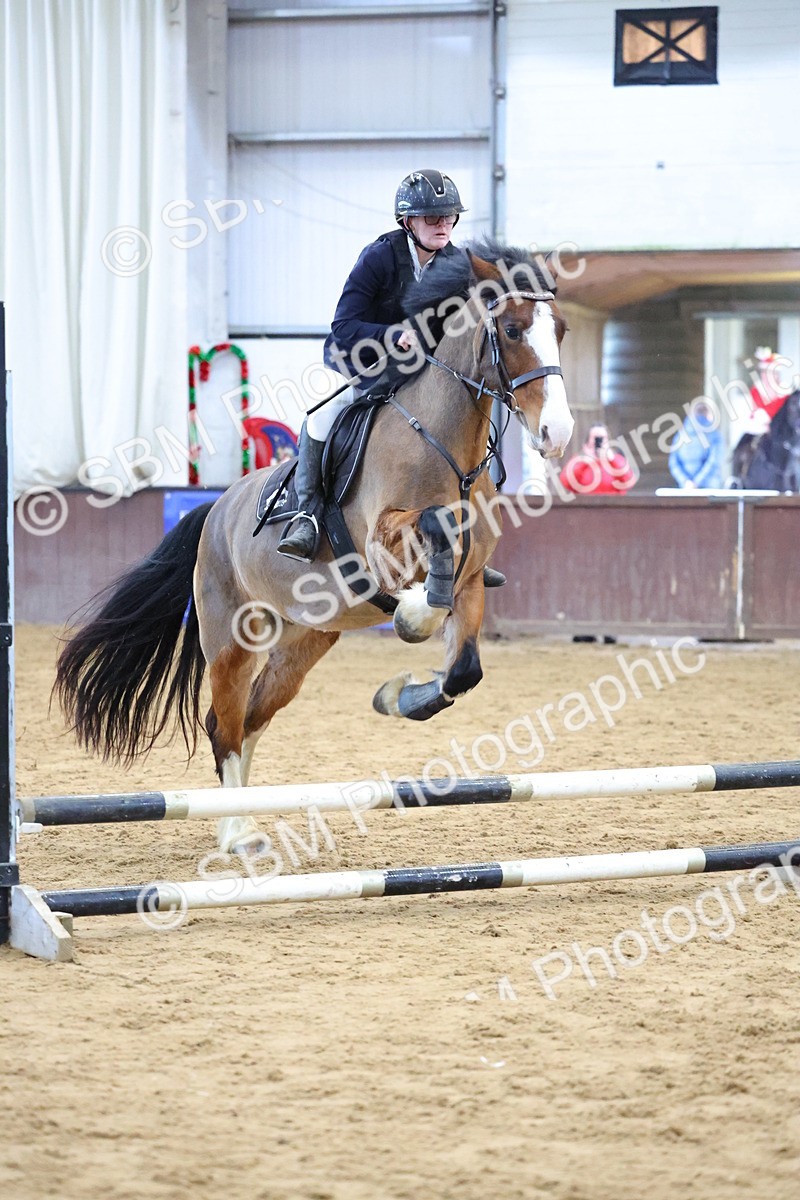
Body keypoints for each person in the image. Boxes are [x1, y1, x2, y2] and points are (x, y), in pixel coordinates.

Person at [277, 169, 503, 591]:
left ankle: (468, 550)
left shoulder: (458, 265)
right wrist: (390, 335)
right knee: (324, 415)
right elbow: (343, 324)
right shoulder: (380, 257)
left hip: (422, 374)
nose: (443, 224)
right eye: (431, 217)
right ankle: (305, 513)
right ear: (407, 222)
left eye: (449, 216)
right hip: (365, 361)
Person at [558, 424, 635, 495]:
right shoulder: (578, 461)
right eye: (595, 438)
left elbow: (629, 482)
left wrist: (612, 460)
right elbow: (566, 482)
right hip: (585, 506)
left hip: (614, 506)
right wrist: (585, 461)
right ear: (587, 442)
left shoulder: (617, 459)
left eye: (602, 438)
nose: (599, 442)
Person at [668, 400, 724, 489]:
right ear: (708, 415)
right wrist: (697, 482)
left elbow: (673, 463)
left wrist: (685, 481)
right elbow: (714, 462)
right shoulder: (714, 435)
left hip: (686, 490)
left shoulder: (680, 435)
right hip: (709, 490)